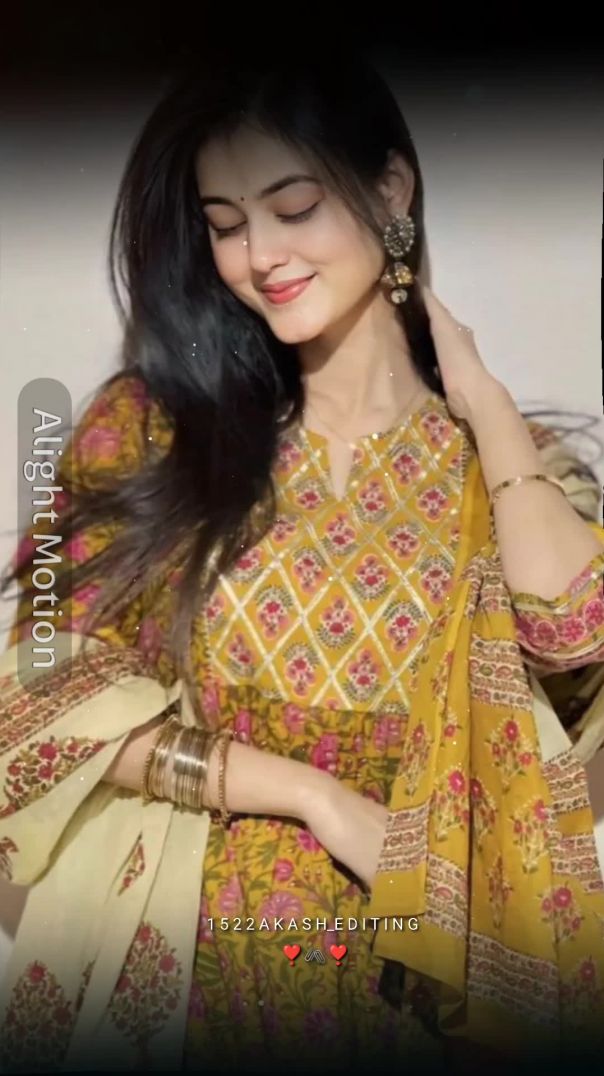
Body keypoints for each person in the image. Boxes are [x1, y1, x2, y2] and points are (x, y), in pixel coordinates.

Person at [1, 46, 604, 1075]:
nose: (259, 256)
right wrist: (313, 796)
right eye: (225, 223)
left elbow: (572, 633)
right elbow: (35, 697)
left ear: (391, 191)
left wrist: (483, 399)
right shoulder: (150, 435)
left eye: (292, 207)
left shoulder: (507, 475)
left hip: (412, 986)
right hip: (179, 973)